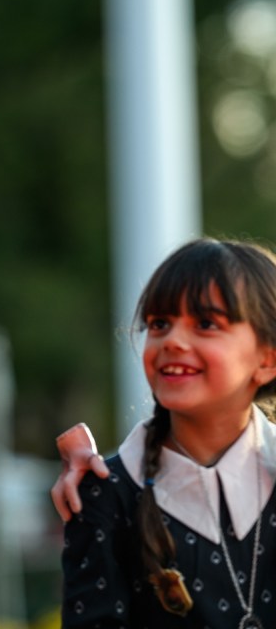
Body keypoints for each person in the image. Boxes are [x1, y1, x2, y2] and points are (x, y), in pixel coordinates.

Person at [61, 238, 276, 627]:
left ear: (267, 360)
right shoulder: (106, 492)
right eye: (159, 324)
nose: (173, 341)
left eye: (206, 324)